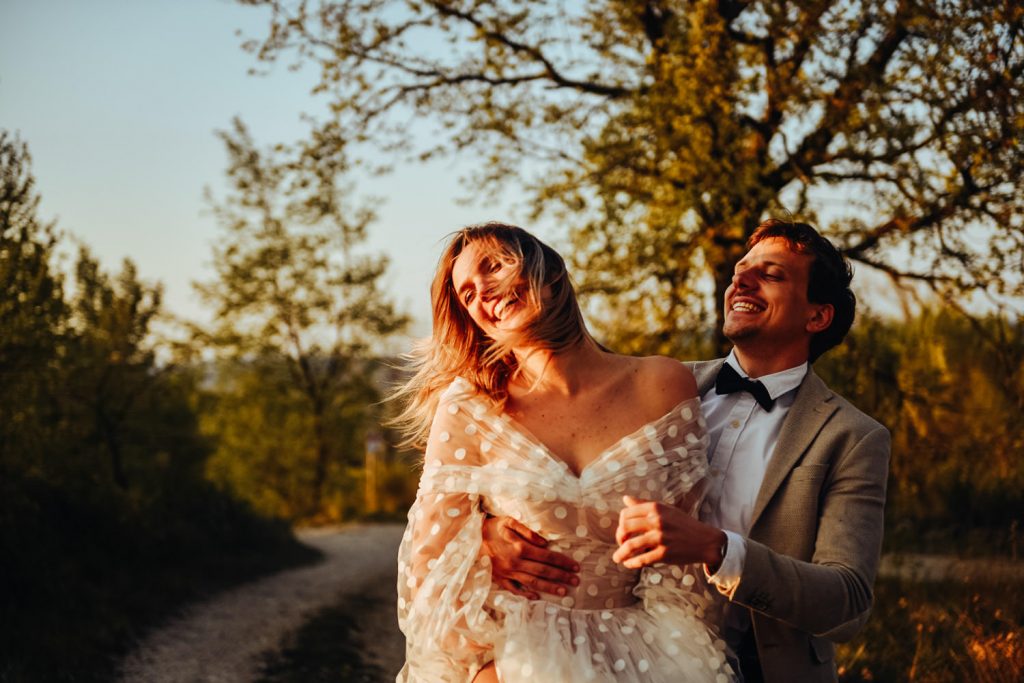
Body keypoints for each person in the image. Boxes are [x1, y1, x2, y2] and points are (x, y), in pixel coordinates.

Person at [482, 219, 890, 682]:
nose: (742, 280)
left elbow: (848, 600)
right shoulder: (654, 388)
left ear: (817, 317)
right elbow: (556, 474)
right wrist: (487, 533)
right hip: (635, 660)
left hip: (766, 670)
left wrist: (718, 550)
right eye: (740, 270)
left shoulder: (853, 437)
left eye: (771, 274)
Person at [391, 222, 736, 683]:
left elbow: (681, 558)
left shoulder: (662, 384)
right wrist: (484, 666)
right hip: (511, 654)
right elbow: (431, 567)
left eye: (492, 267)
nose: (483, 292)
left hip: (644, 650)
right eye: (467, 294)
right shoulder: (471, 406)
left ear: (550, 273)